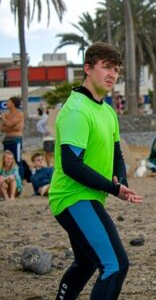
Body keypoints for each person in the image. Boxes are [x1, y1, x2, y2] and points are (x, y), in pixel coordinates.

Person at [48, 42, 143, 300]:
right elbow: (71, 165)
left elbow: (117, 154)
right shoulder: (76, 110)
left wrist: (120, 180)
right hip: (73, 197)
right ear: (88, 69)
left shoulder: (107, 111)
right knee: (115, 265)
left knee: (87, 262)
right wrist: (112, 188)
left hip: (87, 197)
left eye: (116, 69)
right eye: (106, 67)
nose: (113, 74)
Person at [1, 96, 25, 181]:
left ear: (13, 103)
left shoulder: (19, 114)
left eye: (8, 101)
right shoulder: (6, 114)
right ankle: (7, 178)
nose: (7, 103)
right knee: (6, 160)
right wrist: (11, 127)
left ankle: (20, 180)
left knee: (18, 160)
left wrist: (3, 119)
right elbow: (1, 127)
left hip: (16, 140)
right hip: (7, 140)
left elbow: (11, 125)